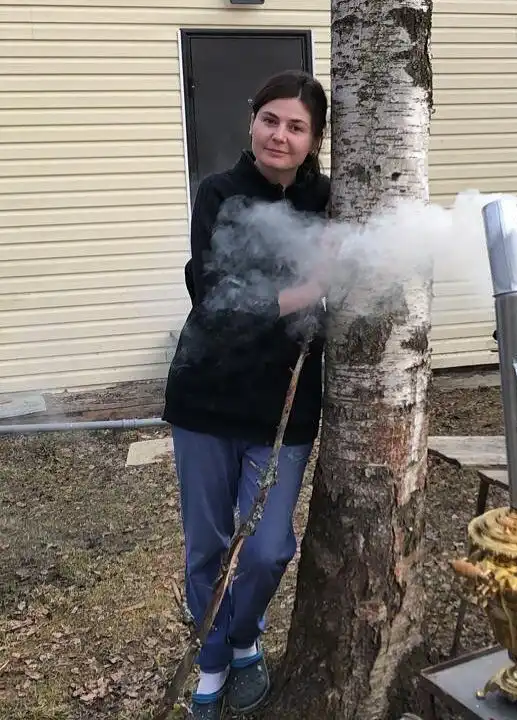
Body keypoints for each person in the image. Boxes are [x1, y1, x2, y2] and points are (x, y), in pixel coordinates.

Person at [162, 70, 331, 720]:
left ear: (314, 140)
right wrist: (305, 293)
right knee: (207, 545)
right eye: (270, 120)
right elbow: (215, 300)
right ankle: (212, 663)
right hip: (205, 400)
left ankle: (242, 640)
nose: (279, 136)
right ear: (252, 121)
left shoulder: (329, 203)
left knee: (268, 549)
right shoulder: (219, 193)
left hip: (283, 406)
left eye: (296, 126)